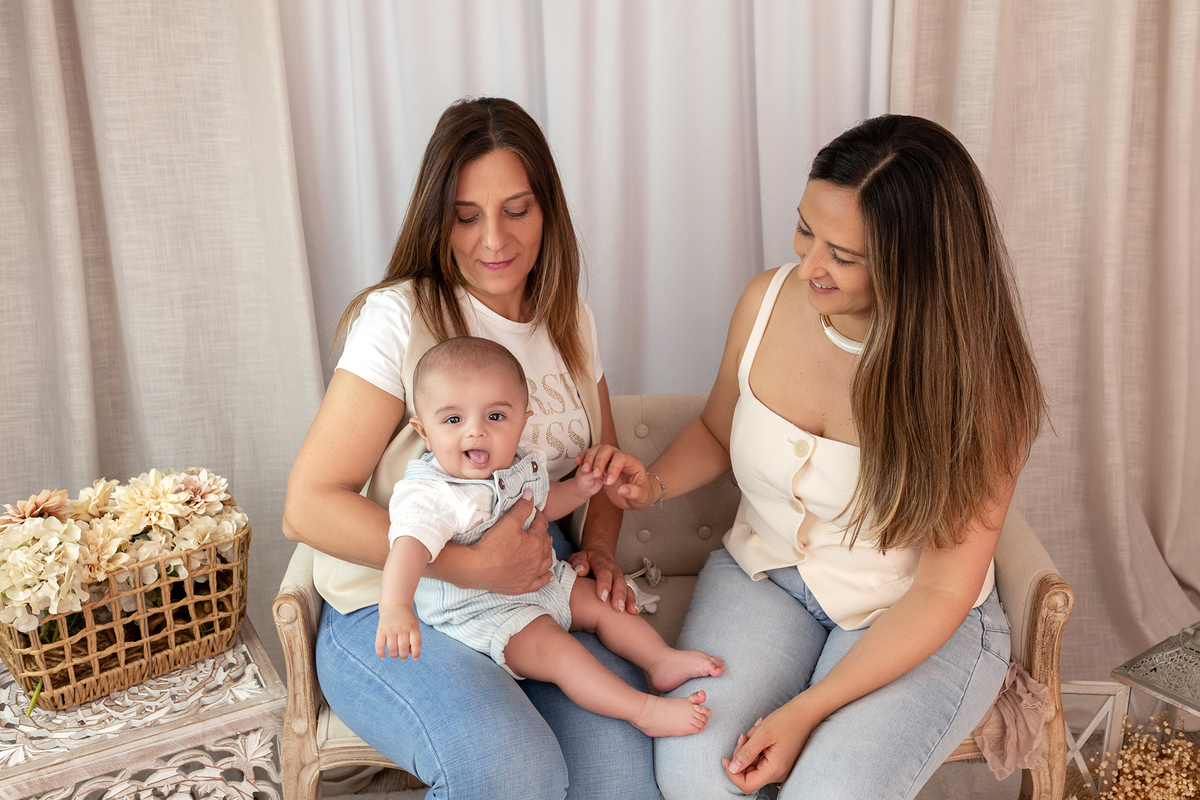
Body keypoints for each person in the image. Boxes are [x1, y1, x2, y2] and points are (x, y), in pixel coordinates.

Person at [583, 115, 1046, 799]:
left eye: (844, 256)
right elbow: (716, 429)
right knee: (697, 777)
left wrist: (806, 711)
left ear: (916, 266)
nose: (809, 266)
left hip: (912, 612)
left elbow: (943, 590)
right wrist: (650, 486)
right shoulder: (766, 302)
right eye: (805, 230)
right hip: (765, 577)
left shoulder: (981, 388)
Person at [283, 97, 661, 799]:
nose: (494, 239)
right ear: (439, 219)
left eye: (517, 210)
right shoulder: (400, 316)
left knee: (624, 775)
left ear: (547, 211)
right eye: (466, 216)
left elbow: (598, 466)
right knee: (510, 769)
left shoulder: (570, 320)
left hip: (531, 598)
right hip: (395, 605)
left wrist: (600, 550)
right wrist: (471, 567)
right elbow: (307, 505)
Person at [376, 337, 723, 737]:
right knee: (560, 652)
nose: (476, 432)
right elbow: (407, 549)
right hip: (482, 611)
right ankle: (643, 711)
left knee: (603, 604)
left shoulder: (519, 464)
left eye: (495, 417)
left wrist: (580, 488)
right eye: (453, 420)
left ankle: (660, 659)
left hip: (543, 580)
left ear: (523, 421)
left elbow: (544, 503)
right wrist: (396, 607)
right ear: (424, 431)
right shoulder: (432, 493)